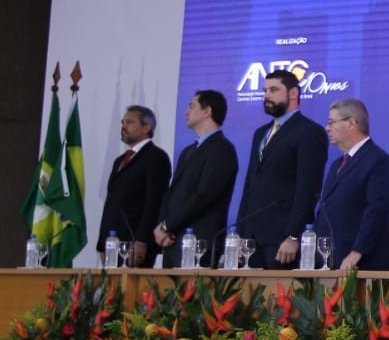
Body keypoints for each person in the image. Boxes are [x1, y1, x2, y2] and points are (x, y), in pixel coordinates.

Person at [236, 69, 327, 269]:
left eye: (274, 90)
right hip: (252, 239)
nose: (266, 95)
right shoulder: (260, 133)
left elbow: (308, 188)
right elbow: (250, 184)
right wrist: (241, 233)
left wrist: (293, 235)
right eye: (265, 90)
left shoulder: (309, 131)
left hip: (283, 239)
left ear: (293, 93)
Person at [154, 90, 238, 268]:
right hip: (174, 241)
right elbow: (172, 194)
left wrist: (167, 226)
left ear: (207, 111)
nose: (186, 112)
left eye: (191, 106)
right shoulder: (188, 151)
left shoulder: (221, 149)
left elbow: (203, 195)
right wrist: (163, 225)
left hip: (200, 244)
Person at [317, 98, 389, 271]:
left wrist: (357, 252)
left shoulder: (378, 160)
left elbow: (376, 210)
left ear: (352, 123)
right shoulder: (336, 164)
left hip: (362, 264)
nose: (327, 128)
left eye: (331, 122)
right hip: (331, 260)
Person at [96, 104, 171, 268]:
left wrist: (142, 240)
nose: (123, 127)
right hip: (112, 243)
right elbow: (111, 203)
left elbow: (154, 203)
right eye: (123, 122)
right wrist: (102, 243)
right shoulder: (120, 160)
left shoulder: (156, 157)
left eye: (129, 122)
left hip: (135, 243)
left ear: (146, 127)